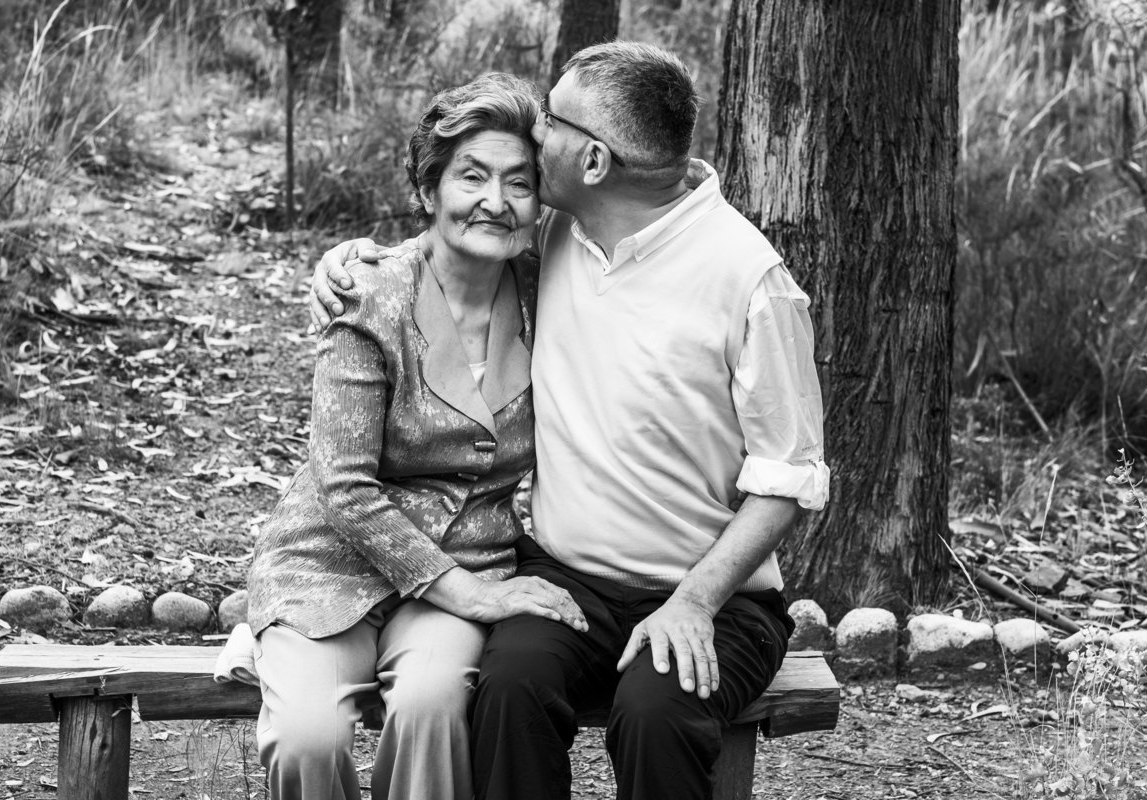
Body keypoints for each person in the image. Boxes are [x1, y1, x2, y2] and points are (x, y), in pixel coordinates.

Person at [308, 42, 829, 800]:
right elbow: (444, 254)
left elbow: (788, 479)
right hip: (567, 581)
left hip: (716, 598)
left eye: (549, 120)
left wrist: (693, 601)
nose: (534, 135)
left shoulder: (750, 281)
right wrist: (349, 264)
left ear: (590, 162)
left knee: (655, 714)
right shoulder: (550, 238)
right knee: (507, 689)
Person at [246, 72, 587, 800]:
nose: (495, 202)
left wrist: (469, 590)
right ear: (429, 190)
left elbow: (644, 200)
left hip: (467, 558)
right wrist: (473, 597)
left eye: (519, 182)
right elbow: (344, 486)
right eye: (471, 176)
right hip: (329, 566)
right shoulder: (369, 294)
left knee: (434, 711)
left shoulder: (552, 285)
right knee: (308, 739)